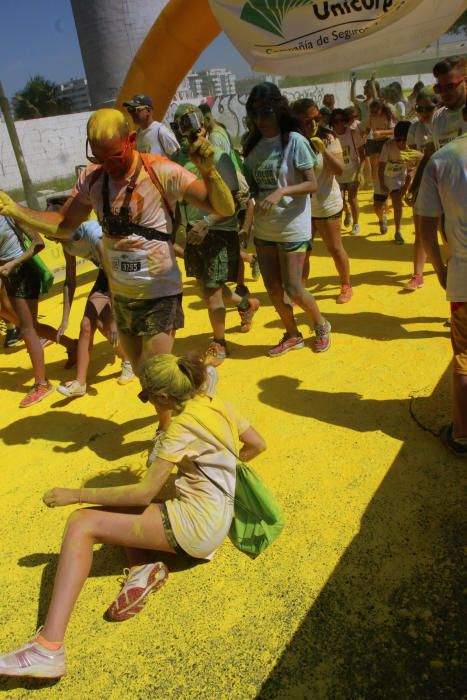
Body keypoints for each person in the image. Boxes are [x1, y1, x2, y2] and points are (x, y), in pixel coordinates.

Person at [0, 353, 267, 678]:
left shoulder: (179, 427)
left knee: (81, 523)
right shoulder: (216, 403)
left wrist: (76, 495)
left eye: (148, 396)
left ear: (164, 397)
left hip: (195, 528)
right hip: (216, 517)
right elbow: (256, 444)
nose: (148, 402)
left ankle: (49, 648)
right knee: (119, 499)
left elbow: (144, 494)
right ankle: (143, 568)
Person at [0, 108, 236, 437]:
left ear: (131, 139)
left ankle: (168, 432)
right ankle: (199, 378)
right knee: (143, 373)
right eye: (98, 156)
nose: (107, 164)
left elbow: (225, 208)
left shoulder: (161, 172)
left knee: (155, 374)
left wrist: (209, 172)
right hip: (122, 294)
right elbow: (63, 225)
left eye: (114, 156)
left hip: (159, 291)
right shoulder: (93, 179)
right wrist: (16, 211)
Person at [243, 83, 331, 356]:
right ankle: (292, 334)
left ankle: (321, 324)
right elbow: (253, 188)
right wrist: (246, 220)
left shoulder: (295, 140)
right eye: (255, 114)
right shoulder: (252, 145)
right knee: (272, 288)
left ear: (278, 109)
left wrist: (282, 191)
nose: (261, 120)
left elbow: (312, 184)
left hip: (293, 227)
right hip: (265, 228)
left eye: (266, 112)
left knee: (294, 288)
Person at [172, 104, 260, 365]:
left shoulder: (220, 156)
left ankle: (219, 343)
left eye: (194, 126)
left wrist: (207, 222)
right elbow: (177, 199)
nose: (191, 134)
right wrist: (181, 227)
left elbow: (233, 201)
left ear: (203, 125)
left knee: (211, 292)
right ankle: (246, 305)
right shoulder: (177, 160)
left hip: (218, 231)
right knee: (207, 288)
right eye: (183, 127)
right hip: (193, 234)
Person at [418, 102, 467, 457]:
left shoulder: (444, 158)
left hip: (465, 277)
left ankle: (463, 434)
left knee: (464, 356)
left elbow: (425, 223)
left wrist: (438, 267)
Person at [44, 206, 135, 397]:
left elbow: (114, 274)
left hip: (124, 272)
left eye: (56, 236)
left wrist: (117, 317)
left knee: (109, 325)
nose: (57, 241)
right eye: (53, 238)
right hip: (107, 273)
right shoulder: (65, 243)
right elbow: (69, 281)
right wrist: (65, 319)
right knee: (88, 325)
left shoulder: (93, 232)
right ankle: (80, 383)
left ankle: (128, 359)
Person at [0, 216, 76, 407]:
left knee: (27, 330)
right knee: (30, 326)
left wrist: (14, 263)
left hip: (22, 271)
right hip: (10, 274)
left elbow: (38, 243)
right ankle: (73, 346)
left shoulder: (9, 214)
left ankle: (42, 384)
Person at [292, 98, 352, 304]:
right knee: (303, 251)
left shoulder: (328, 138)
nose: (314, 124)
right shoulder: (293, 140)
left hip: (327, 203)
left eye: (317, 118)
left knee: (335, 248)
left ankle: (346, 285)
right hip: (304, 207)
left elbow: (340, 170)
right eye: (308, 120)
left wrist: (324, 151)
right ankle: (300, 289)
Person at [404, 89, 439, 290]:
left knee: (446, 234)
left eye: (428, 108)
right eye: (419, 108)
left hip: (444, 184)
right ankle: (417, 275)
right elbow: (410, 161)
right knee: (420, 232)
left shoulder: (442, 125)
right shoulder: (414, 128)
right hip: (423, 184)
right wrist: (410, 185)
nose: (424, 112)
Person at [377, 121, 422, 245]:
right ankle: (382, 217)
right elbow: (380, 167)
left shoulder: (412, 148)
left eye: (404, 139)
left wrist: (406, 187)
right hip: (387, 176)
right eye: (398, 139)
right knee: (379, 206)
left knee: (397, 201)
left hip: (402, 174)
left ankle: (397, 231)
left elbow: (412, 170)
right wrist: (381, 184)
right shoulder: (388, 146)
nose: (401, 143)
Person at [330, 108, 365, 235]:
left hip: (352, 170)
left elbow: (362, 154)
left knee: (352, 198)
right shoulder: (331, 136)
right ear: (332, 122)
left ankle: (356, 224)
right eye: (336, 121)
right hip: (338, 172)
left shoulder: (352, 133)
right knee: (340, 199)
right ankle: (348, 212)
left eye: (342, 120)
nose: (339, 123)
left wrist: (360, 172)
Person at [367, 99, 396, 232]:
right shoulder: (372, 116)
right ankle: (376, 184)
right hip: (375, 141)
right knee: (374, 164)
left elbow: (393, 131)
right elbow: (367, 128)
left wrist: (381, 133)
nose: (373, 113)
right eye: (371, 111)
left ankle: (385, 201)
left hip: (384, 141)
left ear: (381, 109)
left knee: (384, 168)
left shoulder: (387, 116)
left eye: (375, 111)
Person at [123, 94, 179, 158]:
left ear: (148, 111)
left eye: (135, 110)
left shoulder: (161, 131)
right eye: (130, 110)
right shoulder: (138, 133)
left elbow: (177, 159)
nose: (132, 114)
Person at [430, 56, 466, 150]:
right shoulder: (437, 118)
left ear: (465, 82)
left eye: (450, 86)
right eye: (439, 88)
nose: (444, 92)